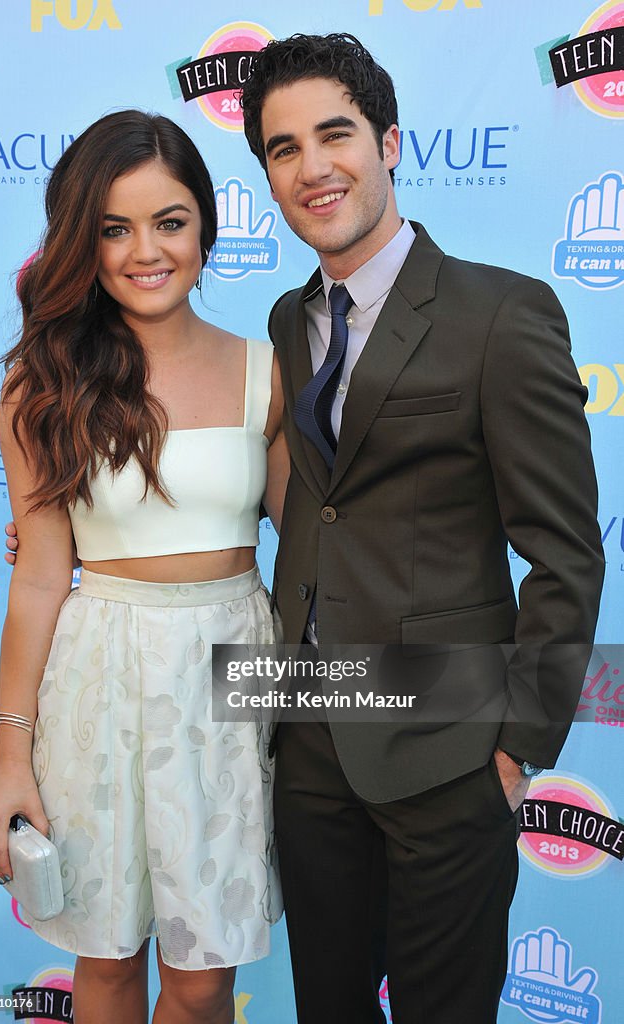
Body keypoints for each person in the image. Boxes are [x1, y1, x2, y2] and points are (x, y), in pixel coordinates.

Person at [236, 33, 605, 1024]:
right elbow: (302, 499)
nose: (312, 166)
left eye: (335, 134)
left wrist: (517, 744)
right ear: (267, 175)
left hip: (450, 752)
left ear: (390, 143)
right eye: (281, 148)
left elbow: (565, 548)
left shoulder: (502, 313)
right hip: (309, 741)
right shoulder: (284, 319)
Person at [0, 110, 286, 1024]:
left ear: (206, 229)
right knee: (105, 961)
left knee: (203, 973)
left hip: (234, 675)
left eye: (169, 221)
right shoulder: (44, 385)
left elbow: (314, 547)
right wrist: (11, 756)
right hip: (98, 677)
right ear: (82, 241)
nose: (146, 250)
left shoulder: (269, 370)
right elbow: (36, 579)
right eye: (114, 227)